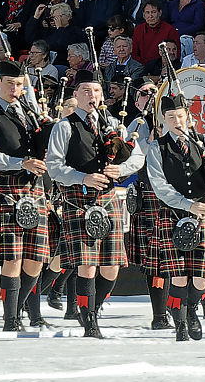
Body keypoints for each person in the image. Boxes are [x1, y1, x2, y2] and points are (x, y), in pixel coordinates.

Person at [46, 70, 143, 339]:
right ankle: (89, 322)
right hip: (79, 201)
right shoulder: (64, 126)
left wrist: (120, 170)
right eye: (86, 92)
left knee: (111, 267)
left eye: (97, 92)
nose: (92, 96)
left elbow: (138, 158)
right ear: (75, 96)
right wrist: (83, 177)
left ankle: (92, 309)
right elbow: (54, 167)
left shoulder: (114, 125)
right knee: (86, 265)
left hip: (108, 199)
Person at [143, 88, 205, 342]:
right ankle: (181, 324)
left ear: (188, 115)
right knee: (178, 275)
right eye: (171, 117)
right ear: (164, 119)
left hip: (203, 214)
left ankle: (192, 309)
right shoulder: (157, 148)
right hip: (174, 214)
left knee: (201, 276)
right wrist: (187, 205)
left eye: (180, 116)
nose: (177, 121)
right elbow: (160, 185)